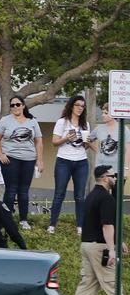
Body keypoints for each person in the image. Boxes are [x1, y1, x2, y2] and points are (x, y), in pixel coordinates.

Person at [70, 165, 130, 295]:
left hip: (87, 245)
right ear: (105, 178)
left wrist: (119, 240)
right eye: (114, 176)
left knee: (87, 285)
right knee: (113, 284)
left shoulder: (91, 196)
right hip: (100, 248)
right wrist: (112, 249)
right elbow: (106, 225)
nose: (116, 179)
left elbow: (99, 223)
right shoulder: (106, 198)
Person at [0, 94, 43, 231]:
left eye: (18, 104)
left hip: (29, 159)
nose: (15, 107)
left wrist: (40, 160)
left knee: (24, 190)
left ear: (23, 106)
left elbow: (38, 141)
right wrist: (0, 154)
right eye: (12, 105)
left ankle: (23, 220)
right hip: (10, 158)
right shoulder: (5, 120)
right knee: (11, 189)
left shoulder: (32, 121)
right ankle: (6, 220)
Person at [49, 94, 96, 235]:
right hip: (63, 161)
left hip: (81, 162)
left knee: (80, 195)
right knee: (59, 194)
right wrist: (66, 138)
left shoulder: (85, 124)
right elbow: (54, 142)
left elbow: (86, 146)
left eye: (82, 106)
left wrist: (86, 142)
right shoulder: (62, 122)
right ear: (71, 106)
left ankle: (80, 226)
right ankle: (52, 225)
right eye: (77, 105)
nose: (80, 108)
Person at [95, 104, 128, 173]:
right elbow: (87, 140)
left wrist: (126, 169)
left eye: (106, 113)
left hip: (117, 169)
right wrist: (98, 151)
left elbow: (128, 150)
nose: (103, 115)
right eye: (102, 113)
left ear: (113, 114)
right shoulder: (98, 129)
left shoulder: (124, 129)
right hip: (101, 169)